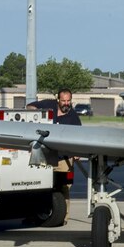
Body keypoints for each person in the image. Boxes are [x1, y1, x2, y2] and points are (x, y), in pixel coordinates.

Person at [28, 89, 81, 223]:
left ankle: (64, 217)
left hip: (64, 158)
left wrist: (77, 153)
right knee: (40, 185)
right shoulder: (48, 105)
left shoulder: (73, 118)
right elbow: (29, 107)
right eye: (63, 101)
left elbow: (80, 137)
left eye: (69, 101)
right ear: (58, 100)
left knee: (64, 187)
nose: (66, 103)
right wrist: (37, 115)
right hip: (46, 156)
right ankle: (39, 214)